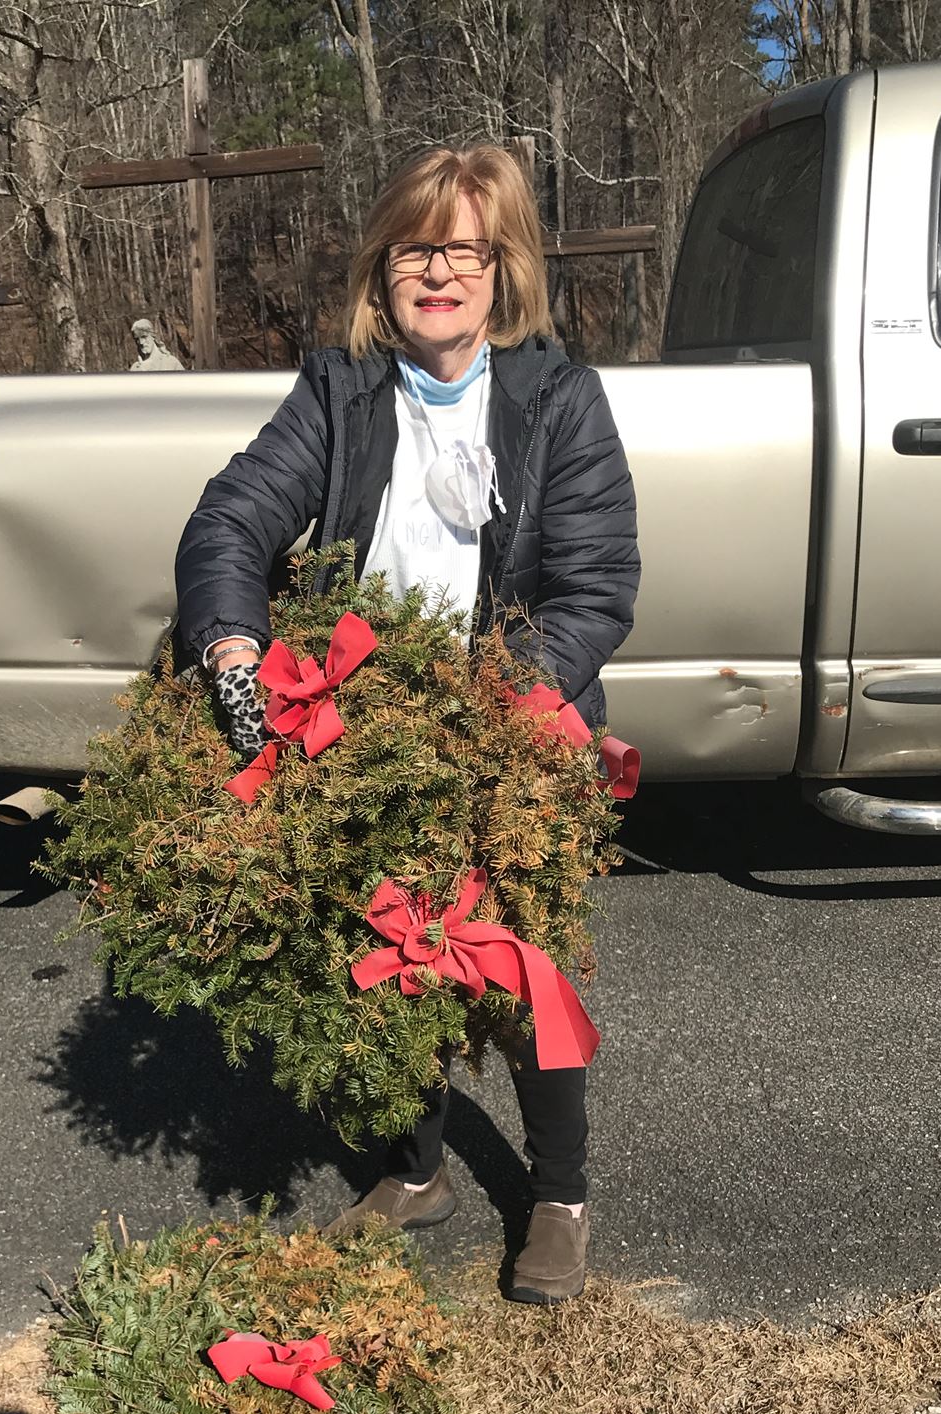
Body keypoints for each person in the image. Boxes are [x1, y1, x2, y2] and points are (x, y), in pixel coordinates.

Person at [174, 144, 639, 1305]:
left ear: (503, 265)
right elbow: (230, 519)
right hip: (367, 731)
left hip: (512, 726)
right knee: (393, 952)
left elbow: (592, 591)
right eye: (413, 248)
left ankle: (560, 1196)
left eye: (463, 248)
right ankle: (419, 1169)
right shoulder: (338, 391)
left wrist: (489, 717)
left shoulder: (557, 401)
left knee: (513, 963)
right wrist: (233, 646)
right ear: (381, 269)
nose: (438, 272)